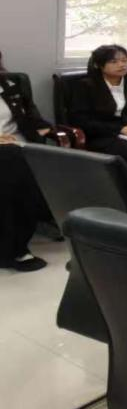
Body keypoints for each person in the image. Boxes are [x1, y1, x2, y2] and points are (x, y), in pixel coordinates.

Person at [0, 50, 56, 272]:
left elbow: (31, 115)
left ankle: (16, 243)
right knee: (13, 166)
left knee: (21, 162)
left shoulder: (11, 85)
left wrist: (45, 128)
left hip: (19, 145)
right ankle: (13, 249)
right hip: (9, 153)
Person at [67, 44, 127, 182]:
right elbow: (80, 120)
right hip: (103, 135)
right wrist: (120, 129)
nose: (121, 65)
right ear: (99, 65)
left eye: (124, 60)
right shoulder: (85, 86)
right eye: (114, 61)